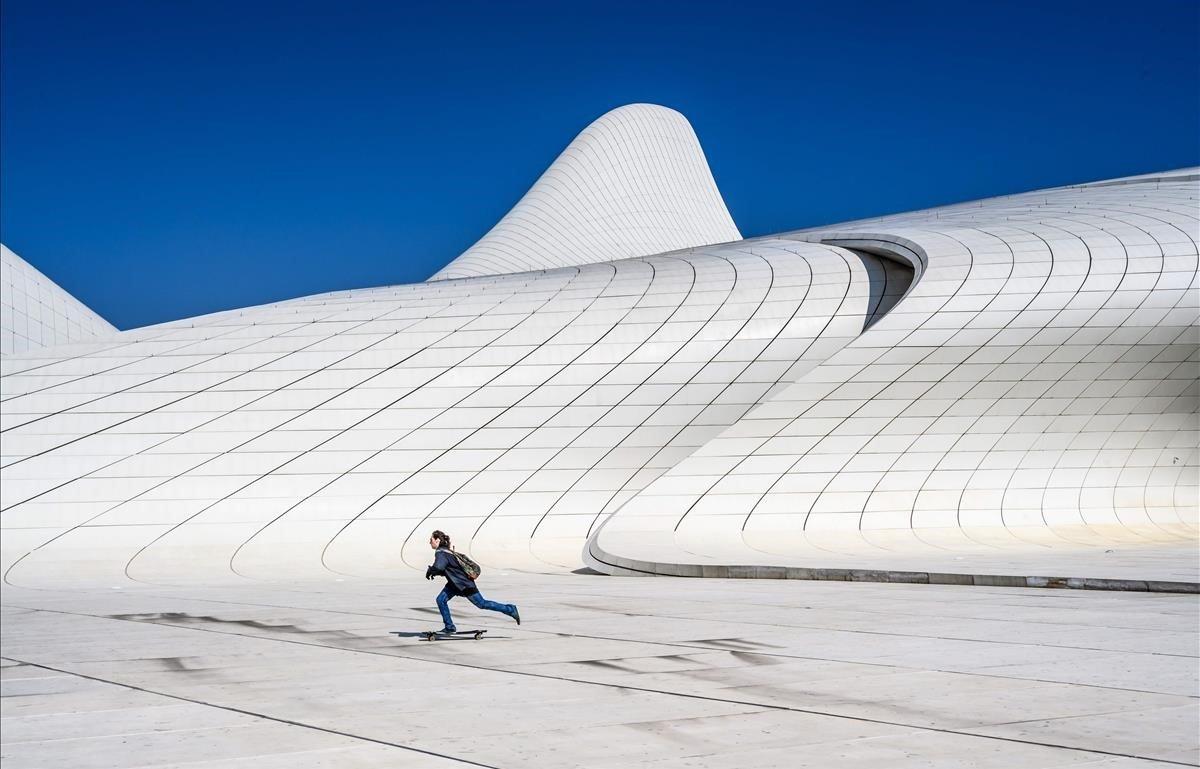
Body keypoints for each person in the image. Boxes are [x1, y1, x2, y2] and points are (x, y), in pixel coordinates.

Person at [425, 530, 520, 633]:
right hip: (454, 584)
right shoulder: (446, 552)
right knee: (441, 600)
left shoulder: (441, 553)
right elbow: (447, 569)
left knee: (482, 604)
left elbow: (439, 567)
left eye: (431, 540)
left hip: (464, 584)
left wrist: (431, 571)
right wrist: (433, 572)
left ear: (437, 540)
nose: (429, 542)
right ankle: (449, 627)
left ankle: (510, 610)